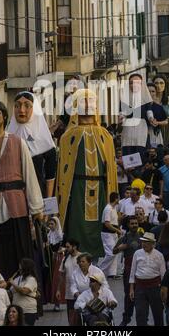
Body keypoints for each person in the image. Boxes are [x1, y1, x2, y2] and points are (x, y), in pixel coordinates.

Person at [0, 101, 44, 280]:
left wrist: (36, 208)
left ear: (5, 116)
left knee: (20, 253)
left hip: (16, 206)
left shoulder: (17, 142)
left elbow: (29, 174)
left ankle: (24, 296)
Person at [56, 89, 117, 258]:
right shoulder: (67, 137)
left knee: (101, 224)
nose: (88, 105)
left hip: (101, 188)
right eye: (83, 101)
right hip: (76, 188)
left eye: (91, 101)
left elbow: (111, 169)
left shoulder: (106, 136)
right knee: (76, 224)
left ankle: (100, 258)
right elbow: (62, 171)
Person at [8, 91, 57, 198]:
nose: (21, 110)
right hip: (14, 200)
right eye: (17, 106)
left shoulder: (45, 142)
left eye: (27, 105)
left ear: (35, 109)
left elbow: (50, 177)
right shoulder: (6, 139)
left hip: (39, 199)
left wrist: (48, 209)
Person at [129, 232, 165, 326]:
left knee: (158, 313)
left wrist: (163, 290)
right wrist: (132, 289)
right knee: (140, 313)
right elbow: (132, 272)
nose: (144, 244)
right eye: (143, 242)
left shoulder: (159, 255)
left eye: (147, 242)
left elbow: (163, 274)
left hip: (155, 287)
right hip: (140, 287)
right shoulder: (137, 253)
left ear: (153, 244)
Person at [113, 215, 141, 326]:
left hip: (141, 270)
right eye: (132, 223)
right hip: (129, 270)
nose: (134, 225)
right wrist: (120, 248)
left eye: (136, 223)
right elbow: (114, 251)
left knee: (141, 296)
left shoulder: (142, 236)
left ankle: (142, 320)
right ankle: (126, 319)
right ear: (128, 225)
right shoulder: (124, 238)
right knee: (128, 296)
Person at [119, 73, 153, 161]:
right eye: (131, 83)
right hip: (128, 128)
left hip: (141, 127)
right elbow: (122, 112)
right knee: (128, 151)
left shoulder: (145, 98)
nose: (134, 85)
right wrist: (121, 117)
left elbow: (149, 111)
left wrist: (151, 118)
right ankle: (128, 171)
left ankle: (139, 172)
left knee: (140, 152)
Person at [56, 239, 81, 326]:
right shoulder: (65, 259)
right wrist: (58, 290)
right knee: (71, 317)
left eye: (68, 247)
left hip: (81, 292)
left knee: (81, 316)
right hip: (69, 294)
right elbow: (61, 275)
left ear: (74, 247)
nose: (66, 249)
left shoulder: (82, 258)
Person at [8, 258, 38, 326]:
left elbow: (24, 291)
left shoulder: (31, 279)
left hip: (27, 311)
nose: (19, 269)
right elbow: (10, 292)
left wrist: (12, 283)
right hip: (17, 311)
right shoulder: (18, 278)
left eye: (21, 267)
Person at [98, 193, 122, 278]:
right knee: (111, 253)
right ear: (116, 199)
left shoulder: (114, 208)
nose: (119, 199)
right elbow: (107, 224)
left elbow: (114, 222)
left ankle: (112, 273)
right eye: (118, 198)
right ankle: (100, 270)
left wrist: (117, 231)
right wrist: (118, 231)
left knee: (115, 252)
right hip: (107, 233)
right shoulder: (108, 208)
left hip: (113, 233)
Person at [153, 76, 169, 144]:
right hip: (153, 128)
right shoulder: (150, 100)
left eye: (161, 83)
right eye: (156, 83)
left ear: (165, 85)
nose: (159, 85)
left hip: (167, 128)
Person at [147, 83, 169, 147]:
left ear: (156, 93)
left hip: (156, 134)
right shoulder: (140, 107)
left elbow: (166, 121)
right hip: (142, 133)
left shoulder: (159, 107)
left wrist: (157, 122)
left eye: (153, 91)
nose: (150, 93)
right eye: (148, 91)